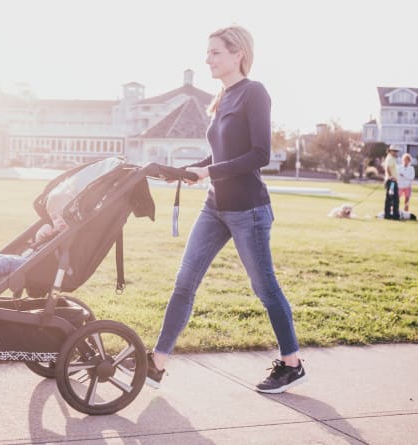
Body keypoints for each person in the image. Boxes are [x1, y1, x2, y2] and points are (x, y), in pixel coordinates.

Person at [146, 25, 306, 394]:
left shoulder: (254, 93)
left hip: (248, 210)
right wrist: (191, 171)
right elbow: (221, 154)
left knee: (264, 288)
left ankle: (292, 364)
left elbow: (258, 155)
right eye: (208, 52)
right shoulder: (222, 98)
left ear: (238, 54)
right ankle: (157, 362)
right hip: (214, 207)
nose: (208, 59)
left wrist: (209, 170)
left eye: (215, 52)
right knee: (184, 283)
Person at [383, 146, 400, 220]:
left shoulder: (391, 158)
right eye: (394, 151)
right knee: (394, 199)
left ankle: (388, 215)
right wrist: (391, 177)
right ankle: (395, 215)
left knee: (389, 199)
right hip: (392, 181)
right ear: (390, 151)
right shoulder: (390, 158)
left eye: (397, 151)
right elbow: (387, 168)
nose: (396, 152)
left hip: (391, 181)